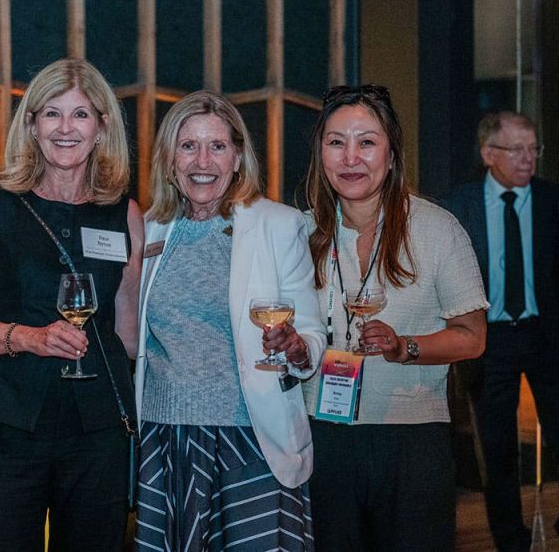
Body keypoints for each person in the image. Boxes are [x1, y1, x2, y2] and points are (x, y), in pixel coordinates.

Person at [0, 58, 143, 551]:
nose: (66, 128)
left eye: (80, 114)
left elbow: (128, 337)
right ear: (31, 125)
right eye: (52, 113)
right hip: (5, 429)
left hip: (97, 436)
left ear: (102, 127)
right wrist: (29, 338)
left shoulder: (126, 214)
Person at [133, 90, 326, 551]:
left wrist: (296, 346)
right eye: (188, 146)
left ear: (238, 157)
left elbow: (313, 334)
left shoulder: (278, 225)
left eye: (217, 146)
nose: (203, 161)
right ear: (169, 159)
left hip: (252, 437)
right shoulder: (146, 228)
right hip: (165, 438)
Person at [300, 84, 488, 551]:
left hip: (411, 440)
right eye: (336, 142)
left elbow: (472, 337)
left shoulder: (437, 229)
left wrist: (404, 346)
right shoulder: (300, 232)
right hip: (320, 436)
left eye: (367, 142)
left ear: (391, 152)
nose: (351, 158)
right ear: (321, 152)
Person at [446, 110, 559, 551]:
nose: (528, 158)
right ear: (489, 153)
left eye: (534, 148)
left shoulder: (551, 200)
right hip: (486, 340)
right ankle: (511, 541)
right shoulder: (460, 206)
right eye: (517, 149)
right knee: (497, 450)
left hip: (545, 336)